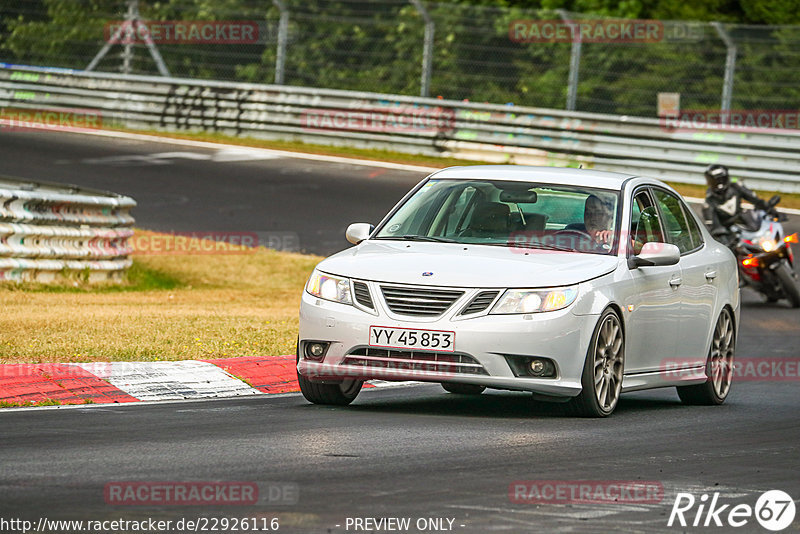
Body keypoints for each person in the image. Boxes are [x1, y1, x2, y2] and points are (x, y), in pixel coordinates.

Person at [702, 164, 766, 244]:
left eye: (720, 179)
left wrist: (768, 208)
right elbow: (714, 227)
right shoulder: (709, 202)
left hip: (745, 227)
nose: (718, 182)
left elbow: (755, 199)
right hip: (730, 236)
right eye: (715, 180)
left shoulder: (736, 187)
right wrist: (725, 240)